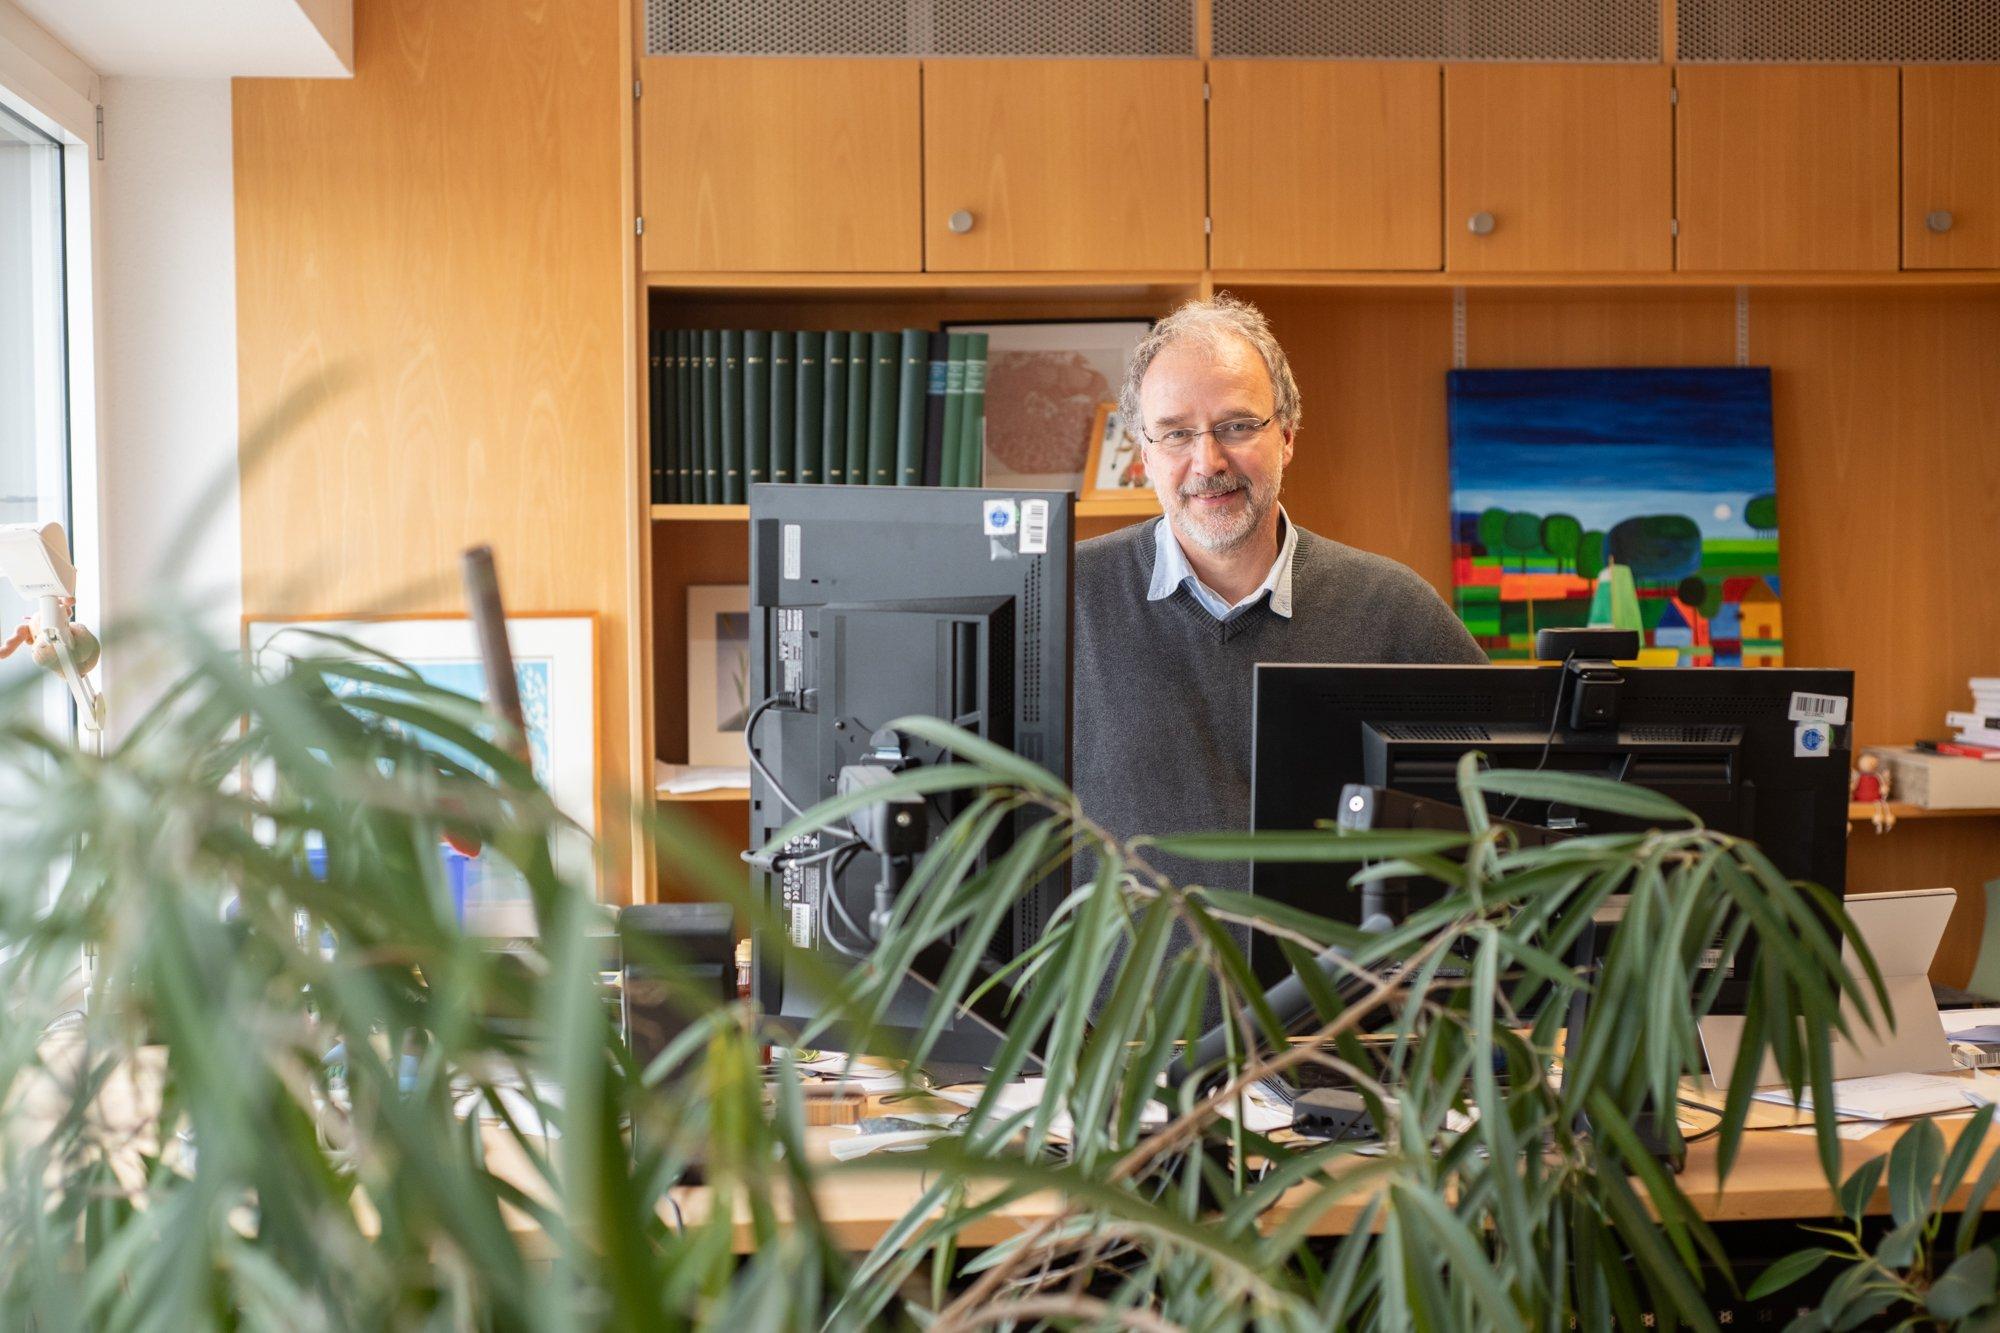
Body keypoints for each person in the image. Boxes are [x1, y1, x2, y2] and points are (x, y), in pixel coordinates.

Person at [1073, 294, 1485, 937]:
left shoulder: (1392, 608)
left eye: (1237, 426)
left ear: (1287, 437)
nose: (1208, 462)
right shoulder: (1063, 599)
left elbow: (1505, 811)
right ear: (1144, 454)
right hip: (1119, 1004)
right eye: (1176, 433)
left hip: (1336, 1001)